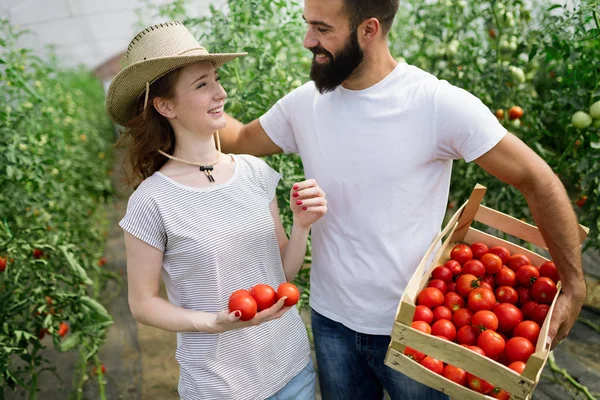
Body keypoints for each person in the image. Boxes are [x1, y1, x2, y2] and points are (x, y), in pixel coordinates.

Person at [218, 0, 587, 399]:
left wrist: (574, 285)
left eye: (323, 29)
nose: (309, 40)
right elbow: (238, 140)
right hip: (330, 323)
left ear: (369, 30)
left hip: (416, 331)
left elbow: (538, 179)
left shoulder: (435, 104)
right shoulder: (304, 104)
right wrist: (178, 93)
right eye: (309, 26)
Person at [105, 21, 327, 400]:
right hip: (219, 386)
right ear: (165, 105)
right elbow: (142, 304)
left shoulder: (256, 173)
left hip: (292, 371)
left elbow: (281, 271)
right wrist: (212, 323)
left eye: (216, 79)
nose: (220, 93)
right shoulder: (151, 200)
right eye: (201, 85)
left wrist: (303, 227)